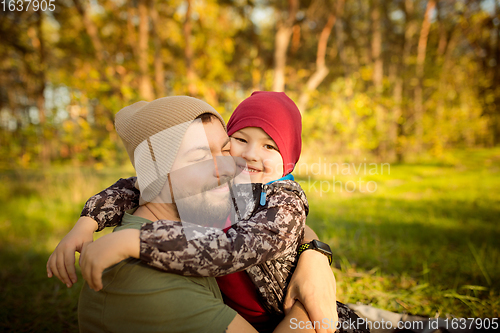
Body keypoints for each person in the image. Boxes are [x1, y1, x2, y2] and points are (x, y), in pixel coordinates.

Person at [48, 94, 367, 333]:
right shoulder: (149, 286)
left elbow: (239, 245)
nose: (235, 162)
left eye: (223, 150)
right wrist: (87, 221)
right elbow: (131, 187)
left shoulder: (277, 199)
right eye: (238, 143)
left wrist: (315, 256)